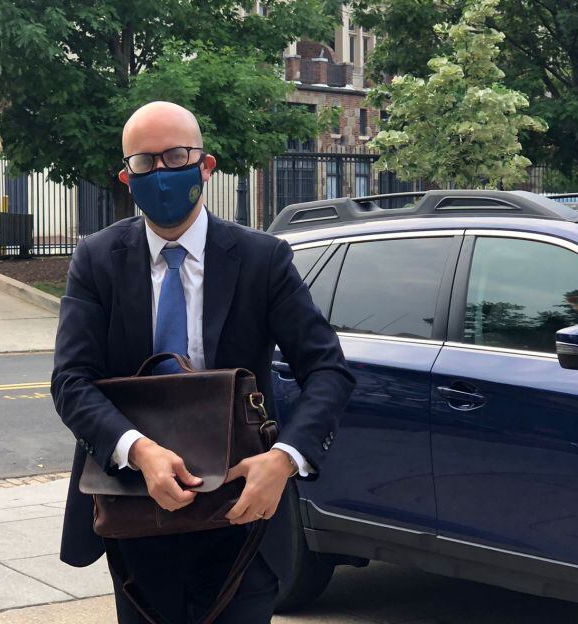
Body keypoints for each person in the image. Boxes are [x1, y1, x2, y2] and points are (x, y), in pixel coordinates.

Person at [50, 101, 355, 623]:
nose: (162, 172)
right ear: (127, 177)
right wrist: (139, 452)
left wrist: (283, 460)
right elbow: (71, 381)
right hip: (136, 512)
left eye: (176, 156)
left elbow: (328, 370)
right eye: (146, 163)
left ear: (206, 165)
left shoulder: (263, 259)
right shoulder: (97, 260)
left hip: (242, 515)